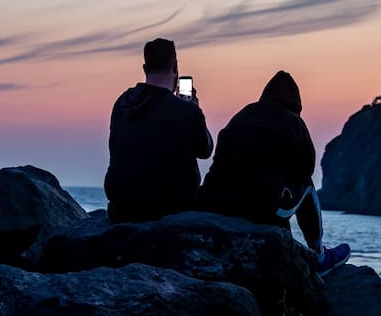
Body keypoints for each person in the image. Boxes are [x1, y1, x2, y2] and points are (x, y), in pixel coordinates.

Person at [197, 71, 350, 275]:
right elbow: (306, 169)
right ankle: (319, 255)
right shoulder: (294, 123)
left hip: (217, 201)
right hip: (260, 203)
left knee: (275, 187)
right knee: (307, 186)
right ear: (296, 105)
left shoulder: (242, 115)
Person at [104, 38, 213, 223]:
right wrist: (195, 109)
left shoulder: (122, 103)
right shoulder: (186, 111)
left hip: (122, 203)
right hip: (169, 205)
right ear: (175, 67)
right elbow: (205, 150)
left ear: (145, 68)